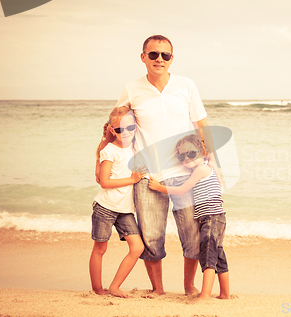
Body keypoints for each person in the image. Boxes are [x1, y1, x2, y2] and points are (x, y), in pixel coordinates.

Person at [95, 35, 218, 297]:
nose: (159, 59)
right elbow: (113, 124)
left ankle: (188, 286)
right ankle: (158, 288)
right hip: (145, 174)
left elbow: (202, 125)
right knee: (151, 236)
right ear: (143, 57)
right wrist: (101, 158)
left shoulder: (186, 85)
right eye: (153, 55)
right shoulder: (132, 88)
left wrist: (213, 162)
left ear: (172, 58)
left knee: (192, 235)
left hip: (183, 172)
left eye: (165, 55)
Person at [148, 134, 229, 302]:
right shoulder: (209, 167)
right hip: (216, 217)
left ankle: (205, 295)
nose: (186, 158)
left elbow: (181, 190)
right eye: (181, 156)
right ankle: (225, 294)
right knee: (218, 254)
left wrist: (159, 187)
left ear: (202, 151)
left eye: (191, 154)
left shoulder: (201, 169)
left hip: (211, 217)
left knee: (208, 256)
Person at [90, 107, 145, 298]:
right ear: (113, 130)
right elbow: (105, 182)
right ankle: (97, 289)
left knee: (137, 247)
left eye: (130, 127)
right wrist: (132, 179)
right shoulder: (109, 151)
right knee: (100, 248)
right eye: (120, 130)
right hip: (105, 207)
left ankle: (114, 287)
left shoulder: (135, 147)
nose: (127, 132)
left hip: (125, 210)